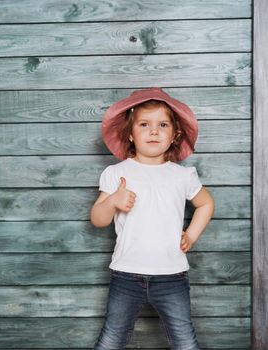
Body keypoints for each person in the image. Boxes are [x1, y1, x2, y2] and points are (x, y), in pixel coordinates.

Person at [90, 87, 215, 350]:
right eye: (144, 124)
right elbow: (98, 219)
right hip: (125, 275)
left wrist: (190, 235)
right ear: (131, 135)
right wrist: (113, 201)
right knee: (111, 339)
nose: (154, 131)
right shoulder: (116, 173)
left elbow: (205, 204)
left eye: (163, 125)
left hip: (172, 277)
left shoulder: (183, 175)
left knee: (185, 341)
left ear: (175, 135)